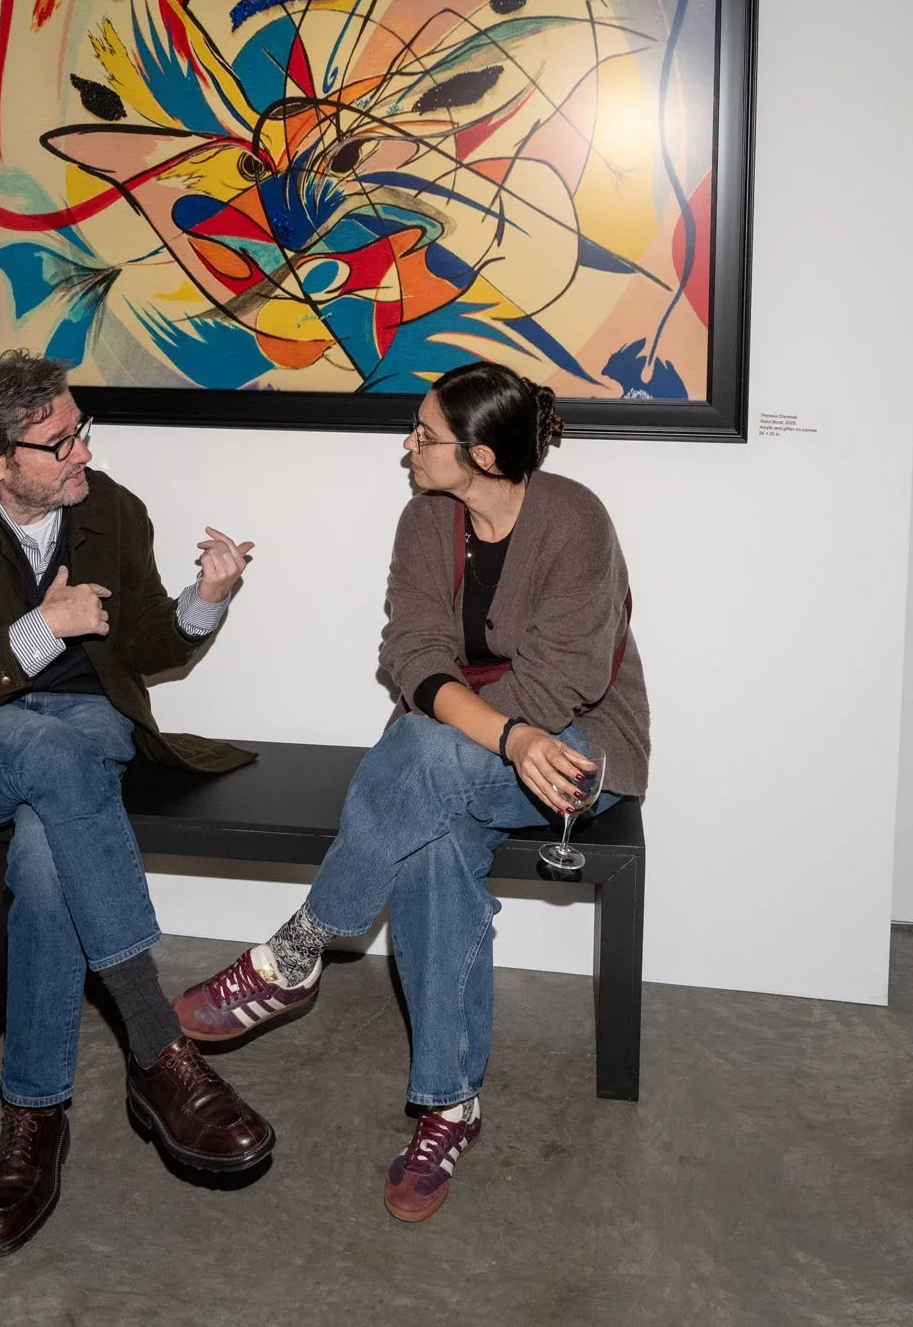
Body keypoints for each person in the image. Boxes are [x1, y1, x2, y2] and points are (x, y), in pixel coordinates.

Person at [174, 362, 650, 1224]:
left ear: (487, 456)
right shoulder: (427, 520)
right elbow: (410, 653)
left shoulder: (575, 521)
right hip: (479, 744)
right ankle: (448, 1107)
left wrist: (472, 726)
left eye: (425, 435)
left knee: (428, 752)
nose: (408, 446)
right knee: (432, 842)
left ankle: (299, 948)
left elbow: (559, 690)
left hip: (577, 750)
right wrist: (488, 730)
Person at [0, 349, 273, 1259]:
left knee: (50, 859)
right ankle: (158, 1047)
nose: (83, 453)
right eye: (60, 443)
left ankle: (33, 1119)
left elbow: (139, 646)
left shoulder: (113, 511)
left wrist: (203, 602)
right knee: (48, 757)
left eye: (81, 429)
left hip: (89, 730)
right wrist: (37, 631)